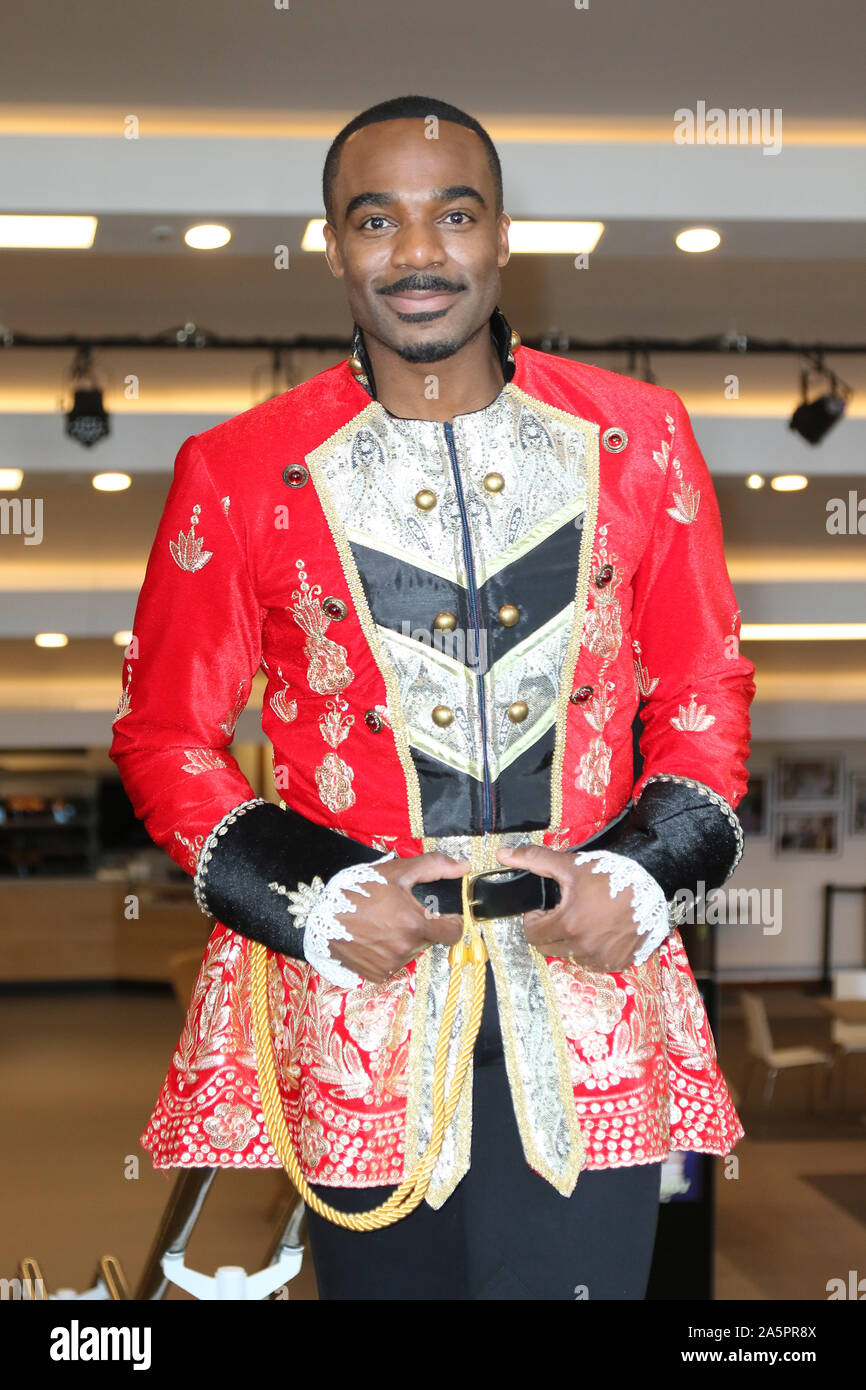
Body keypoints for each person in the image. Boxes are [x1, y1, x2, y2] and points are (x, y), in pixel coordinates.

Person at [109, 93, 755, 1301]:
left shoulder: (641, 437)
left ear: (503, 235)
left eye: (452, 215)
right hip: (361, 1009)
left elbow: (704, 685)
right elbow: (164, 734)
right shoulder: (239, 468)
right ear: (333, 245)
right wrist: (311, 897)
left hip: (591, 992)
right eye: (376, 221)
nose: (417, 253)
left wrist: (641, 868)